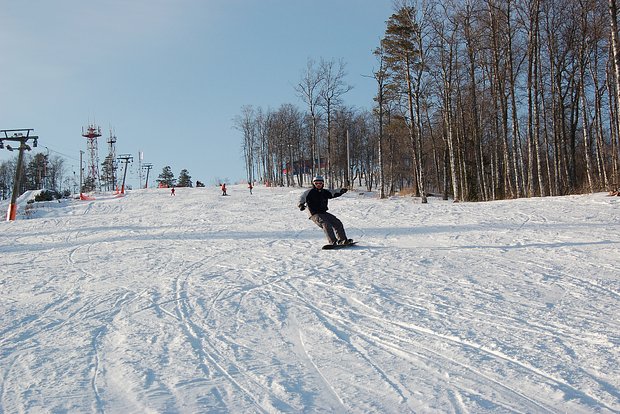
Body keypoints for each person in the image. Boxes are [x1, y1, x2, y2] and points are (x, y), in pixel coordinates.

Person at [298, 175, 352, 246]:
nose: (318, 185)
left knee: (337, 222)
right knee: (326, 224)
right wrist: (301, 205)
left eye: (320, 183)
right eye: (316, 183)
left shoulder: (325, 192)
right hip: (314, 214)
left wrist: (342, 191)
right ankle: (333, 241)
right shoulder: (309, 192)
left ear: (323, 184)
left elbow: (334, 192)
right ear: (313, 184)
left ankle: (343, 240)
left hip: (323, 213)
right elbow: (302, 198)